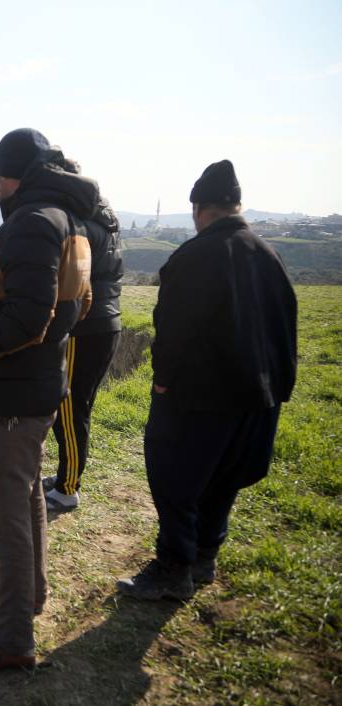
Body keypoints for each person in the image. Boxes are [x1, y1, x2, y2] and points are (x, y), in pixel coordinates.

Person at [0, 128, 92, 674]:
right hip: (33, 386)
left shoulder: (33, 223)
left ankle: (11, 640)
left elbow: (32, 315)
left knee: (3, 520)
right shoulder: (66, 220)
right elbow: (80, 304)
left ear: (14, 177)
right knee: (27, 496)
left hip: (10, 394)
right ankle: (27, 593)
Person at [117, 160, 297, 600]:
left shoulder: (195, 256)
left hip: (199, 397)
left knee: (175, 481)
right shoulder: (268, 255)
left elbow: (173, 330)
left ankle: (172, 569)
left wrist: (163, 382)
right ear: (237, 206)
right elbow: (286, 327)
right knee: (226, 478)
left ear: (198, 209)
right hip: (258, 395)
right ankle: (204, 557)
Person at [43, 165, 124, 512]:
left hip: (86, 326)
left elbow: (73, 281)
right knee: (76, 408)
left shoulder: (82, 225)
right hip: (104, 324)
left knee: (71, 409)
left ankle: (68, 487)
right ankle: (66, 475)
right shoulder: (105, 219)